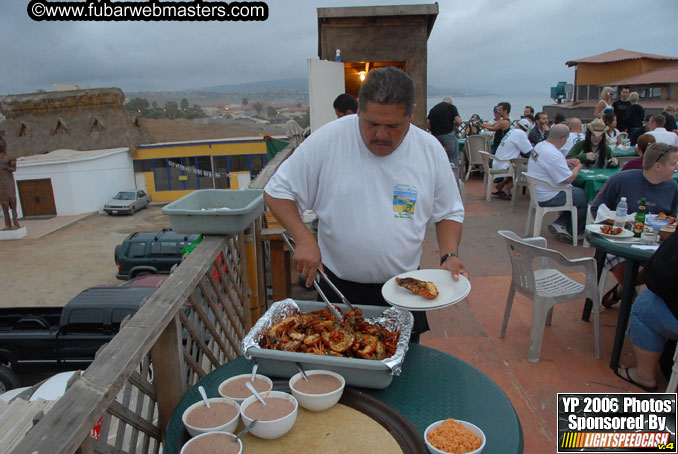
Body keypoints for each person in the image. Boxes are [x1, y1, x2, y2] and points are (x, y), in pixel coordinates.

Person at [264, 67, 467, 343]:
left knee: (403, 373)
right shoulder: (329, 140)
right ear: (359, 109)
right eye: (371, 123)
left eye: (394, 126)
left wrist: (448, 255)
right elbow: (277, 191)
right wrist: (303, 239)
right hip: (338, 286)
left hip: (406, 290)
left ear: (411, 114)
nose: (381, 134)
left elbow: (449, 211)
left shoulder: (429, 150)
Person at [591, 143, 678, 307]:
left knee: (669, 269)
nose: (676, 168)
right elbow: (596, 208)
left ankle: (623, 291)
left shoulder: (673, 187)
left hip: (655, 243)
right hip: (619, 240)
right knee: (628, 271)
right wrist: (615, 225)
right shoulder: (622, 179)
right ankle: (632, 295)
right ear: (658, 166)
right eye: (673, 163)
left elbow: (672, 219)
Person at [527, 124, 586, 243]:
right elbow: (568, 179)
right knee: (586, 197)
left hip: (538, 192)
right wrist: (578, 167)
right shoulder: (554, 154)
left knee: (576, 194)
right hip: (550, 195)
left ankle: (560, 223)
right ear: (563, 139)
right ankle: (572, 230)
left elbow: (548, 163)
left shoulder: (540, 146)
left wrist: (567, 162)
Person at [492, 118, 533, 199]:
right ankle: (506, 188)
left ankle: (502, 185)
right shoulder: (520, 134)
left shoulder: (511, 132)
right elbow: (529, 152)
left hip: (497, 162)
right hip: (504, 164)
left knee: (518, 166)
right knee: (525, 170)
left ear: (517, 125)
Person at [427, 97, 462, 167]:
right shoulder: (451, 107)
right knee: (453, 155)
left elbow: (427, 122)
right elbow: (459, 121)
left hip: (435, 136)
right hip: (448, 135)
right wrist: (456, 125)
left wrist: (431, 129)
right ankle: (453, 173)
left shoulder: (434, 109)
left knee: (438, 156)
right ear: (450, 102)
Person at [0, 135, 21, 230]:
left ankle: (16, 223)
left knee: (12, 202)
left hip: (8, 182)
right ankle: (7, 223)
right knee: (3, 204)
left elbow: (14, 169)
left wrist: (6, 168)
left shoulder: (10, 157)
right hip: (1, 185)